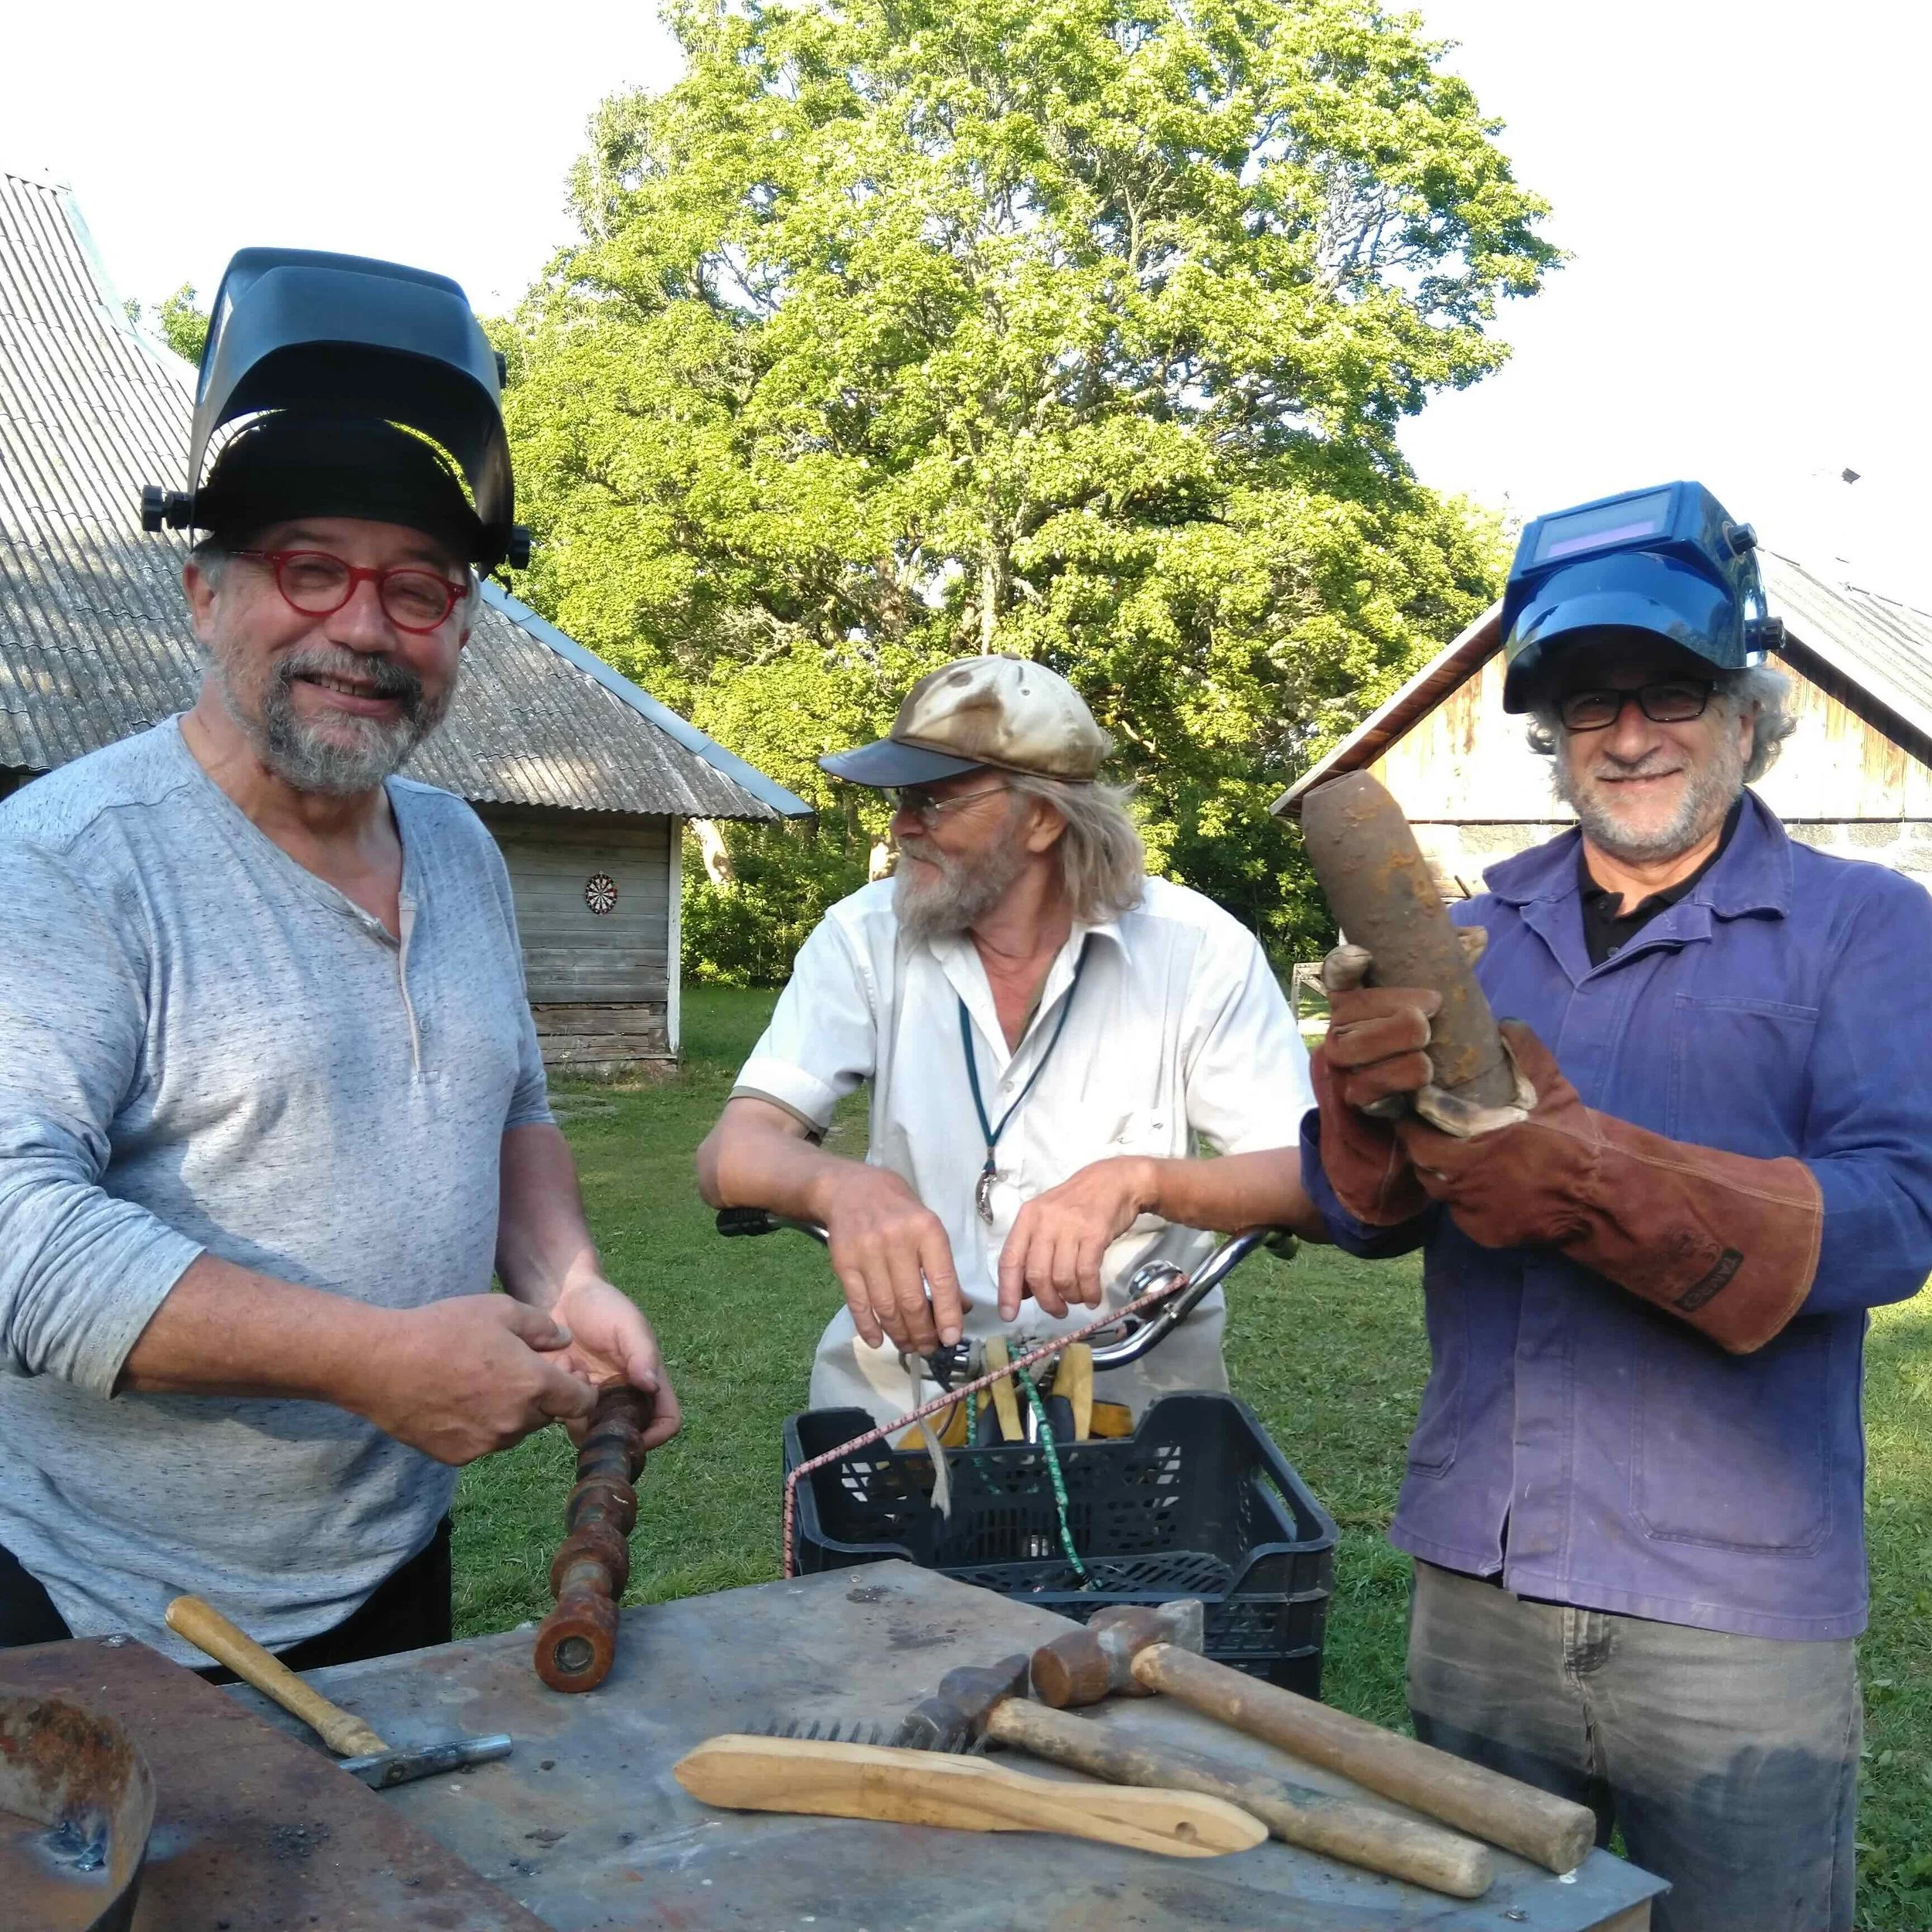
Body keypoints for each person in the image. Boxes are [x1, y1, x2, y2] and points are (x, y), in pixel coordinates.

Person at [0, 249, 679, 1670]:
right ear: (204, 596)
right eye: (310, 571)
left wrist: (567, 1285)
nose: (364, 630)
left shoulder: (463, 853)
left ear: (461, 633)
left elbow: (511, 1113)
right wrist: (372, 1364)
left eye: (420, 592)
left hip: (389, 1564)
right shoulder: (66, 862)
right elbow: (17, 1238)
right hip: (110, 1610)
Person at [1301, 481, 1932, 1932]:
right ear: (1553, 733)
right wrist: (1361, 1113)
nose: (1631, 734)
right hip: (1487, 1578)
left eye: (1670, 692)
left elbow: (1899, 1216)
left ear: (1744, 710)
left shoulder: (1866, 926)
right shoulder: (1463, 936)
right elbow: (1365, 1219)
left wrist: (1596, 1180)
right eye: (1591, 702)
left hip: (1736, 1603)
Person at [697, 654, 1323, 1429]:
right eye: (899, 799)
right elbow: (730, 1155)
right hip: (904, 1406)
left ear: (1041, 818)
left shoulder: (1195, 949)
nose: (899, 826)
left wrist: (1141, 1179)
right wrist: (842, 1187)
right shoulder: (863, 937)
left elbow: (1310, 1178)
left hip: (1136, 1408)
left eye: (931, 799)